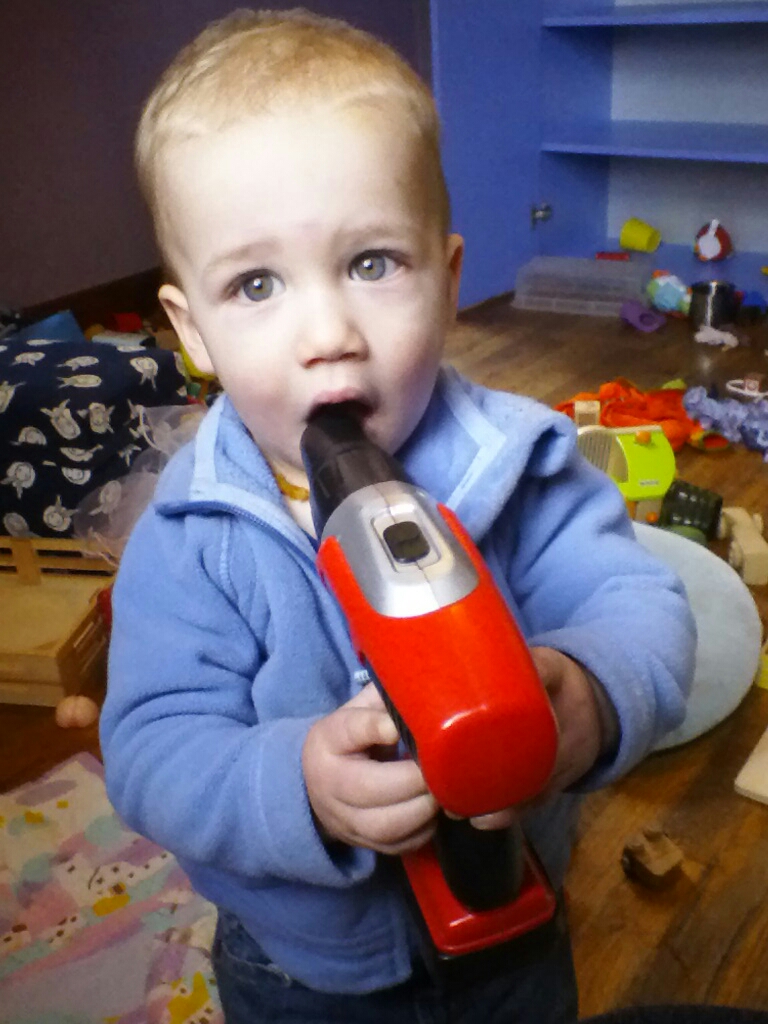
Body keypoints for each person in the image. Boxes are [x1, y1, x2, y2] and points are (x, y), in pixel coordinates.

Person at [100, 9, 696, 1023]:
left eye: (373, 263)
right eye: (256, 284)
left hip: (514, 928)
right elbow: (155, 751)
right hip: (303, 969)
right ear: (191, 332)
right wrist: (297, 786)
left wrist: (591, 694)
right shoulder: (196, 533)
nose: (328, 333)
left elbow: (640, 601)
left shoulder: (517, 460)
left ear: (450, 280)